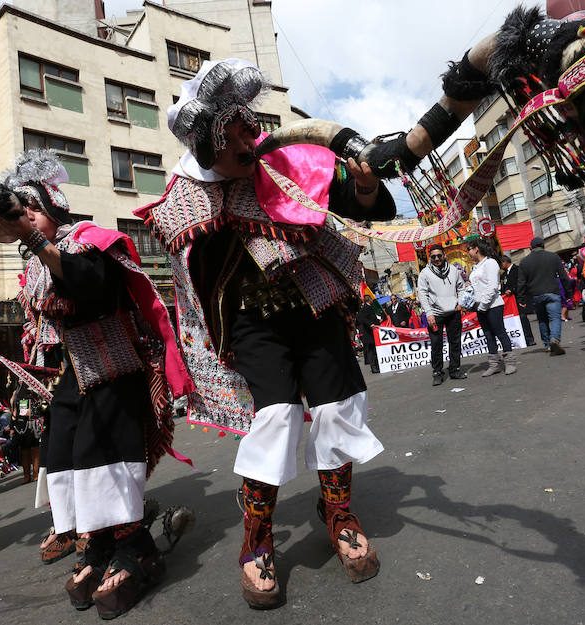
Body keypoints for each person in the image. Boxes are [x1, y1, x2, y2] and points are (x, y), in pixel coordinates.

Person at [134, 59, 392, 609]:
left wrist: (365, 186)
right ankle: (257, 537)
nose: (246, 145)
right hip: (250, 322)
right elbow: (190, 273)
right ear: (205, 148)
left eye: (247, 131)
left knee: (338, 404)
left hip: (314, 303)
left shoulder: (285, 164)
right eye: (230, 140)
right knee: (274, 418)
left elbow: (357, 201)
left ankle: (338, 511)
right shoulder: (185, 196)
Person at [0, 149, 193, 619]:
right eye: (22, 211)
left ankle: (135, 547)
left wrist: (34, 240)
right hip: (75, 371)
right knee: (61, 454)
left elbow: (88, 284)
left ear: (56, 208)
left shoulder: (90, 240)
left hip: (115, 364)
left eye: (34, 208)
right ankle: (97, 545)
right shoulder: (36, 267)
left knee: (103, 455)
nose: (27, 218)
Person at [417, 243, 468, 386]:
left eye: (439, 255)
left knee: (455, 342)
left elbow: (461, 287)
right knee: (436, 344)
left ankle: (454, 370)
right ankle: (437, 372)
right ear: (430, 258)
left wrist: (460, 303)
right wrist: (429, 313)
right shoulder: (425, 273)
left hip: (453, 312)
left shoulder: (453, 270)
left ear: (444, 255)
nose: (437, 258)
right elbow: (422, 294)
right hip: (436, 314)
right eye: (433, 256)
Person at [468, 240, 517, 376]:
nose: (468, 253)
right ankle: (494, 364)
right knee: (488, 335)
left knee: (500, 332)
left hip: (493, 305)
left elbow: (493, 286)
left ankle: (510, 362)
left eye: (469, 249)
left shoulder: (490, 263)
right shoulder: (475, 266)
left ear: (476, 249)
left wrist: (484, 304)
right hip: (480, 307)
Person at [517, 237, 573, 355]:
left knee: (542, 319)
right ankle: (555, 339)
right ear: (544, 246)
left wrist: (521, 298)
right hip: (552, 293)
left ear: (530, 248)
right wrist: (568, 293)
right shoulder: (553, 257)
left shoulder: (524, 262)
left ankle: (547, 344)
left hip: (536, 295)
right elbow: (563, 276)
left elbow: (521, 282)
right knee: (555, 318)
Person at [500, 254, 536, 346]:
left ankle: (529, 339)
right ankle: (520, 339)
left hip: (518, 298)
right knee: (514, 320)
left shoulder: (517, 270)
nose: (501, 265)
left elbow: (521, 283)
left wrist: (512, 290)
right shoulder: (504, 274)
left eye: (501, 263)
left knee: (523, 318)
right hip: (509, 302)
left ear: (505, 262)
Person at [357, 294, 387, 374]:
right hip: (368, 334)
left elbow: (371, 317)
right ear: (369, 300)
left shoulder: (369, 307)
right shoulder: (365, 308)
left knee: (374, 350)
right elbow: (362, 318)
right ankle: (373, 367)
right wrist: (370, 324)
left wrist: (377, 322)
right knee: (371, 351)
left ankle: (376, 366)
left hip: (372, 333)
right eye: (371, 299)